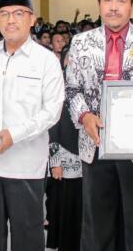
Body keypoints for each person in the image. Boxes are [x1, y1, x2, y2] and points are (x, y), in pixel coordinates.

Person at [66, 0, 133, 251]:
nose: (113, 7)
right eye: (107, 0)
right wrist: (84, 115)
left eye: (121, 0)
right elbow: (72, 89)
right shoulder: (80, 43)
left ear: (131, 6)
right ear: (99, 4)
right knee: (97, 225)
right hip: (95, 143)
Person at [0, 0, 64, 251]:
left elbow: (52, 111)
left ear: (32, 19)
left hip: (26, 165)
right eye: (4, 14)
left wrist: (15, 134)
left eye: (18, 13)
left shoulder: (46, 61)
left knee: (28, 238)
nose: (11, 20)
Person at [46, 46, 82, 251]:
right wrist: (55, 162)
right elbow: (53, 127)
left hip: (88, 153)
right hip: (65, 152)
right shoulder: (58, 85)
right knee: (65, 205)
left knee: (82, 205)